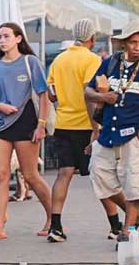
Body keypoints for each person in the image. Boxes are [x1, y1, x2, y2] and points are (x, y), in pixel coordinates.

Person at [84, 21, 139, 240]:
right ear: (124, 43)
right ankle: (136, 215)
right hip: (107, 132)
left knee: (134, 183)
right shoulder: (110, 63)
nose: (138, 47)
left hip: (134, 133)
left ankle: (127, 230)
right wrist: (103, 97)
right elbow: (88, 91)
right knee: (99, 175)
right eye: (133, 42)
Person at [45, 18, 121, 241]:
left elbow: (51, 94)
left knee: (63, 174)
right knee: (100, 176)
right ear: (93, 38)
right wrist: (96, 127)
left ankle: (55, 226)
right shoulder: (92, 60)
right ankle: (115, 225)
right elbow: (91, 96)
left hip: (63, 124)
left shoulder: (59, 60)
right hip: (86, 126)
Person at [0, 22, 53, 242]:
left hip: (26, 122)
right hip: (0, 124)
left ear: (19, 38)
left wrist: (41, 125)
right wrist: (1, 106)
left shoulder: (30, 62)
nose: (2, 41)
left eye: (6, 36)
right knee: (1, 175)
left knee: (31, 175)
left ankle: (54, 218)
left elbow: (43, 95)